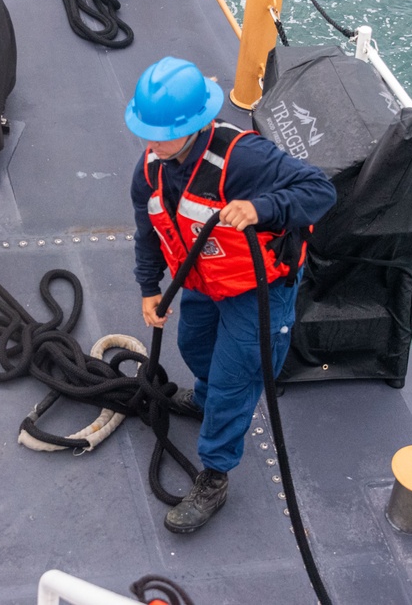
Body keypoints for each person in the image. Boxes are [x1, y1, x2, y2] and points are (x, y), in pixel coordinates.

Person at [126, 56, 336, 533]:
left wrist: (263, 207)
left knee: (234, 381)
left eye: (159, 134)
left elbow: (319, 191)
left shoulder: (245, 159)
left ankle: (216, 474)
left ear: (194, 126)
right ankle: (205, 399)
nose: (149, 144)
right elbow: (148, 230)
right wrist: (149, 288)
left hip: (258, 290)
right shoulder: (151, 168)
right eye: (145, 132)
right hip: (205, 281)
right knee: (193, 345)